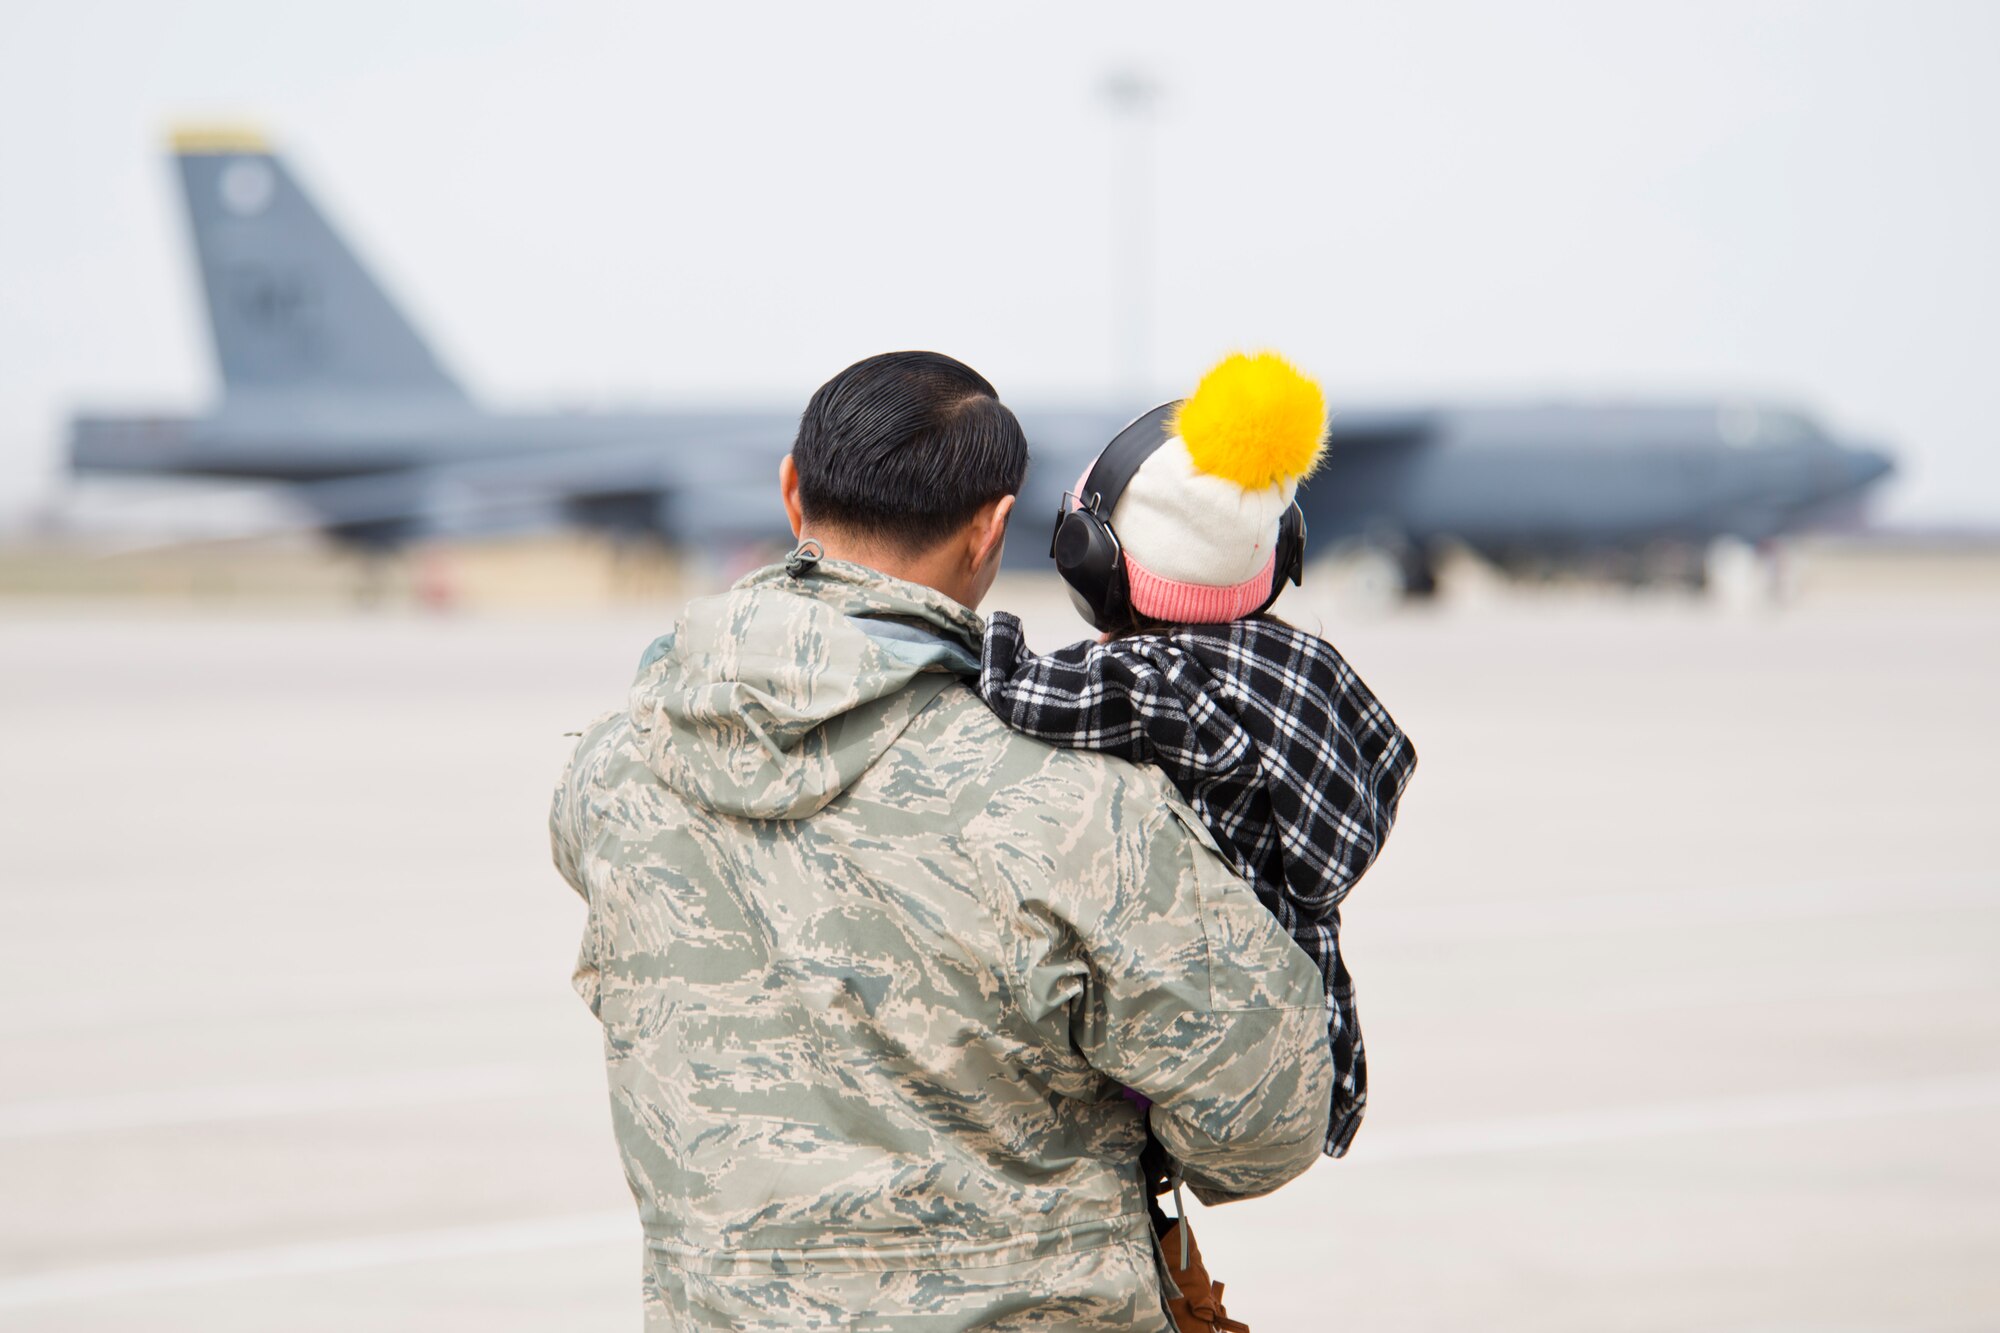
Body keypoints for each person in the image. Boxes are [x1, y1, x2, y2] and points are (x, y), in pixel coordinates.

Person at [550, 350, 1333, 1331]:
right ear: (992, 529)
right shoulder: (1075, 803)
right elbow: (1267, 1123)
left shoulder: (614, 771)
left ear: (792, 491)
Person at [979, 351, 1417, 1160]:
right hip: (1314, 1017)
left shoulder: (1152, 681)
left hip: (1208, 1029)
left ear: (1095, 562)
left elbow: (1015, 691)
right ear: (1280, 552)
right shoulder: (1308, 665)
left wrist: (983, 633)